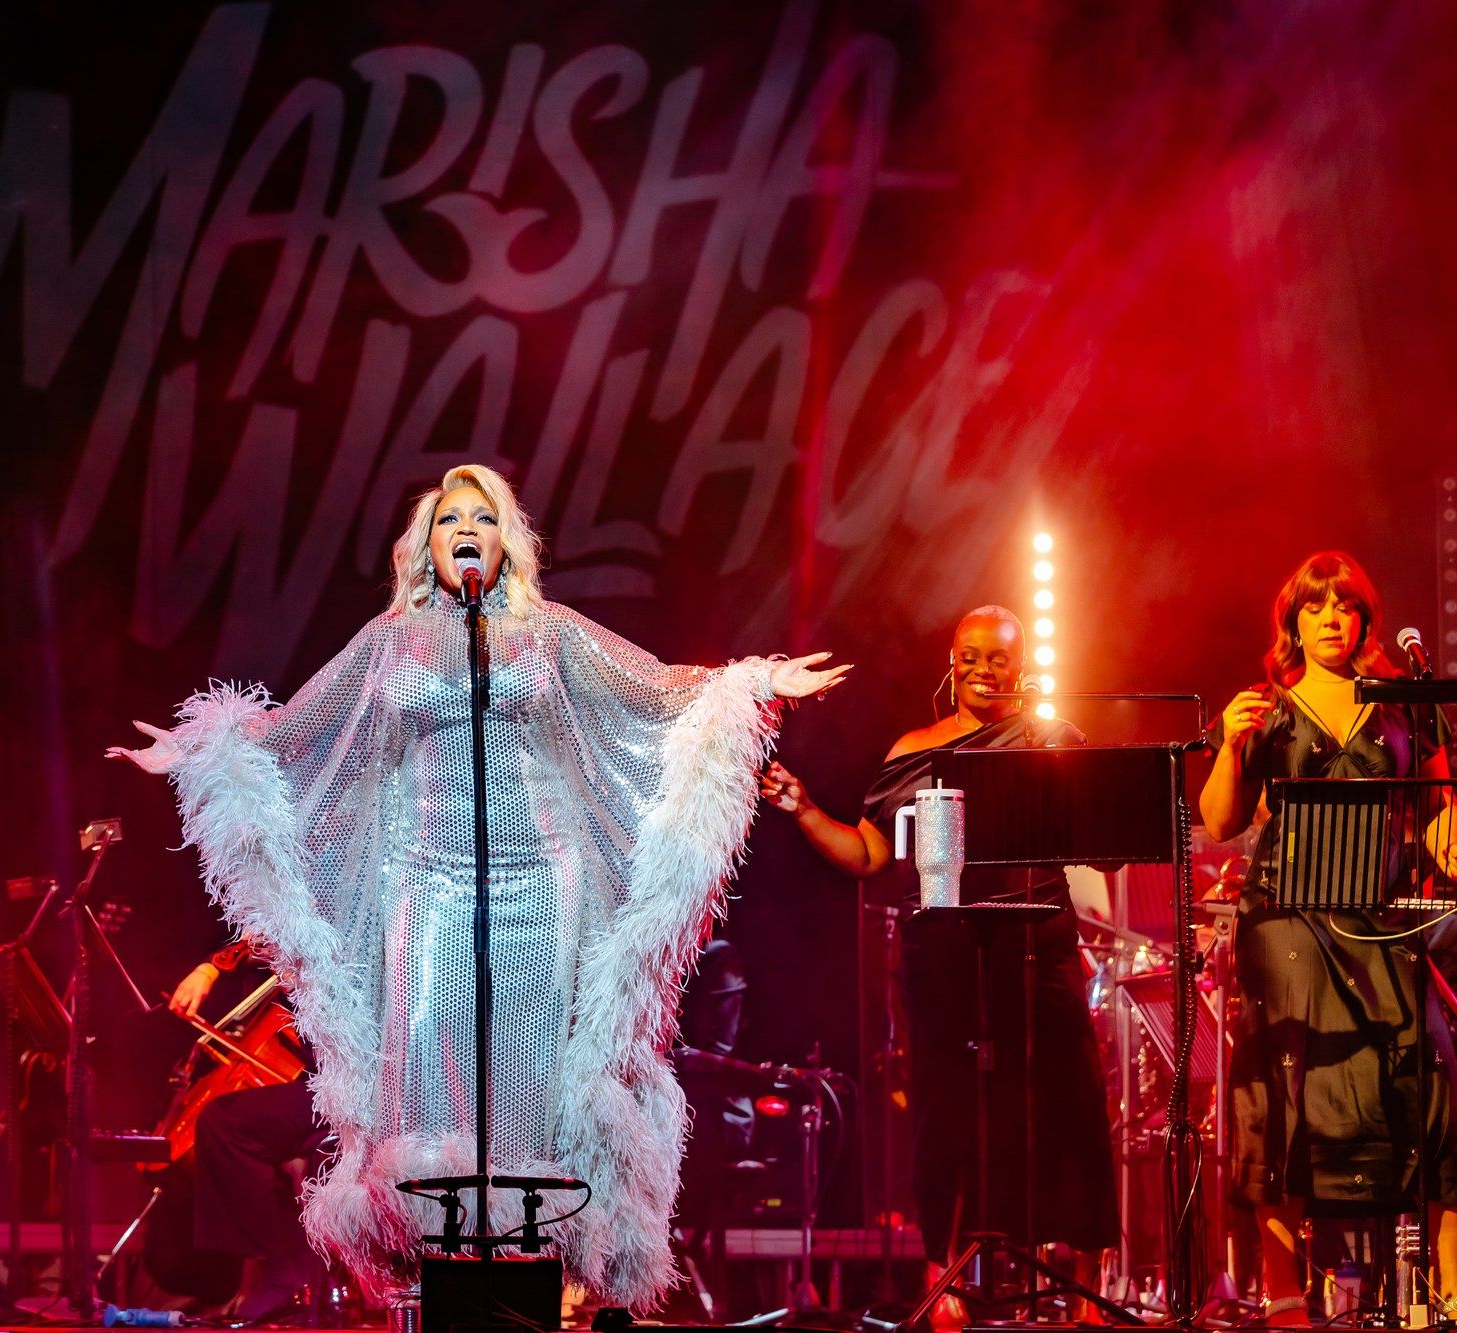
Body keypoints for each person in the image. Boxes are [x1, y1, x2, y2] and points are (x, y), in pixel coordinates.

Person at [115, 463, 850, 1310]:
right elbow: (300, 729)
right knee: (433, 1079)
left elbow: (653, 690)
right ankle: (447, 1291)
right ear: (426, 546)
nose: (467, 529)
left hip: (540, 885)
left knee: (527, 1080)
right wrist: (206, 750)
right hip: (423, 887)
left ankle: (529, 1289)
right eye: (449, 519)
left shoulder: (553, 632)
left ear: (507, 541)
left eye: (484, 517)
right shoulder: (388, 640)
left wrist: (751, 683)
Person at [759, 606, 1119, 1312]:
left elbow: (1099, 835)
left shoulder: (1049, 739)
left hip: (1037, 945)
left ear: (1021, 668)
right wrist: (803, 808)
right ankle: (944, 1278)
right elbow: (867, 852)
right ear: (950, 662)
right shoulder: (916, 748)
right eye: (970, 655)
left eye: (999, 659)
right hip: (948, 953)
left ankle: (1085, 1286)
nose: (984, 670)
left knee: (1069, 1099)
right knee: (947, 1111)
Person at [1199, 552, 1457, 1325]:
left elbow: (1442, 810)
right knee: (1288, 1092)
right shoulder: (1267, 709)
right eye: (1315, 608)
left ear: (1365, 620)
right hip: (1287, 918)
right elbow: (1220, 821)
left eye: (1344, 607)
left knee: (1434, 1072)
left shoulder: (1407, 704)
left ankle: (1442, 1288)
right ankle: (1284, 1290)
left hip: (1380, 912)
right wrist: (1227, 744)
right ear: (1294, 623)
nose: (1331, 619)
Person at [168, 938, 325, 1323]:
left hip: (358, 1086)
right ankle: (265, 1270)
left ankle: (278, 1268)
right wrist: (211, 967)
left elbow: (280, 937)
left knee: (226, 1125)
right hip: (325, 1083)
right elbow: (265, 938)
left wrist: (216, 967)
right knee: (226, 1124)